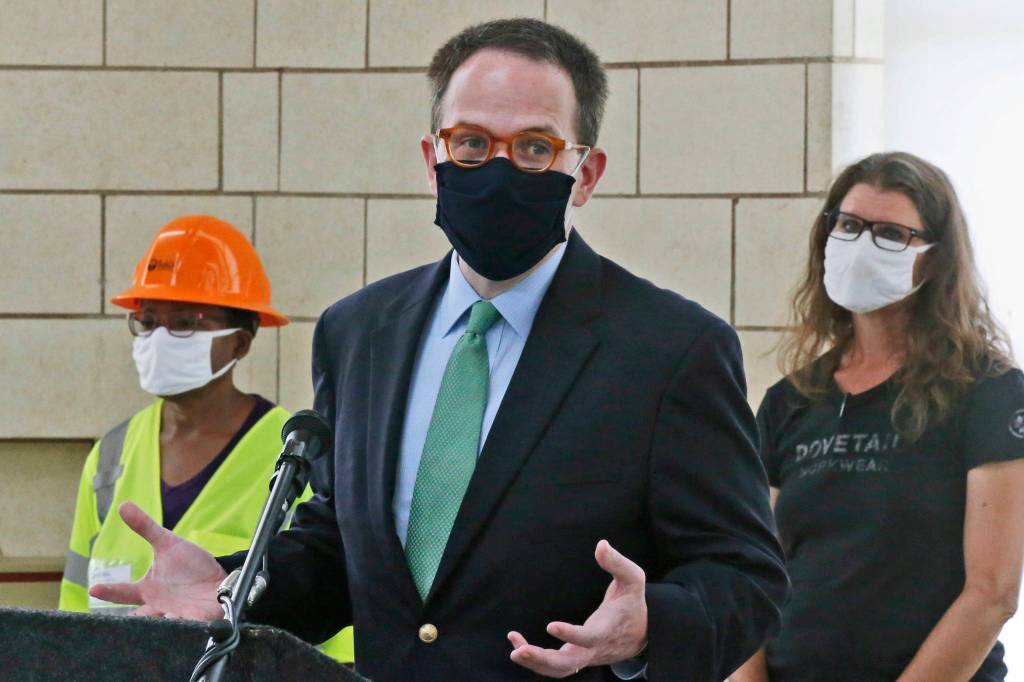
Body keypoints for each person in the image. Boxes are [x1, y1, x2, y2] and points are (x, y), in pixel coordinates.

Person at [90, 20, 787, 681]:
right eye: (473, 144)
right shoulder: (358, 332)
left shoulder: (671, 350)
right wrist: (231, 588)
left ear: (588, 172)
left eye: (536, 147)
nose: (501, 167)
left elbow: (745, 577)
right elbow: (338, 548)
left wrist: (648, 626)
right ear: (433, 160)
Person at [732, 152, 1024, 682]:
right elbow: (748, 574)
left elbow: (992, 593)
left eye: (890, 233)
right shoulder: (791, 401)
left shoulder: (988, 391)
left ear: (933, 260)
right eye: (847, 226)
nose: (862, 245)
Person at [58, 214, 353, 662]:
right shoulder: (109, 455)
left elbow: (331, 611)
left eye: (185, 322)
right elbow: (73, 613)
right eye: (147, 320)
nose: (159, 338)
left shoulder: (299, 451)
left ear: (239, 342)